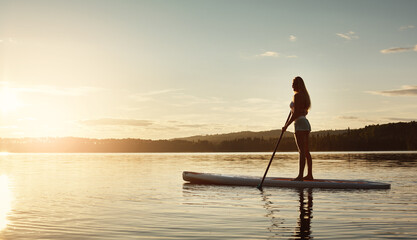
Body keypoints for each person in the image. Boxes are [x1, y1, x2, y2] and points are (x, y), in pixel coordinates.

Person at [282, 76, 313, 181]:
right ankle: (309, 175)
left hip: (299, 124)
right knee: (306, 151)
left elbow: (295, 114)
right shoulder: (305, 96)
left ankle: (300, 176)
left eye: (293, 83)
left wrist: (286, 125)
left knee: (302, 152)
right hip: (305, 123)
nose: (292, 86)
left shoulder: (297, 96)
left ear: (297, 85)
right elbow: (303, 112)